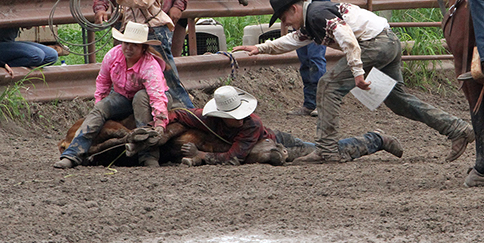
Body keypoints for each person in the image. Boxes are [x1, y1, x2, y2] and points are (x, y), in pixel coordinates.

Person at [232, 0, 475, 163]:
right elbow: (293, 41)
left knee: (328, 85)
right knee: (398, 101)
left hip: (373, 45)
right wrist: (260, 48)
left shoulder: (317, 15)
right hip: (387, 41)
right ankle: (458, 129)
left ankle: (327, 150)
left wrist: (357, 73)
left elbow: (348, 40)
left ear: (294, 9)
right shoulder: (312, 18)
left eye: (286, 19)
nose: (288, 24)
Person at [166, 85, 403, 166]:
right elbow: (179, 115)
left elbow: (234, 157)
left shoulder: (251, 125)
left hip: (278, 142)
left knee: (329, 152)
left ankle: (375, 139)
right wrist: (159, 126)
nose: (239, 118)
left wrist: (202, 156)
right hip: (269, 140)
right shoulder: (205, 118)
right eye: (233, 115)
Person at [53, 22, 169, 169]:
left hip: (146, 98)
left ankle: (148, 156)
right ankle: (72, 153)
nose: (128, 48)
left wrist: (159, 123)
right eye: (126, 43)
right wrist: (100, 104)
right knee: (101, 107)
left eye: (134, 45)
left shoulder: (150, 66)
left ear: (143, 48)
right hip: (123, 97)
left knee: (140, 98)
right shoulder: (113, 56)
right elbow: (103, 82)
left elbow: (157, 96)